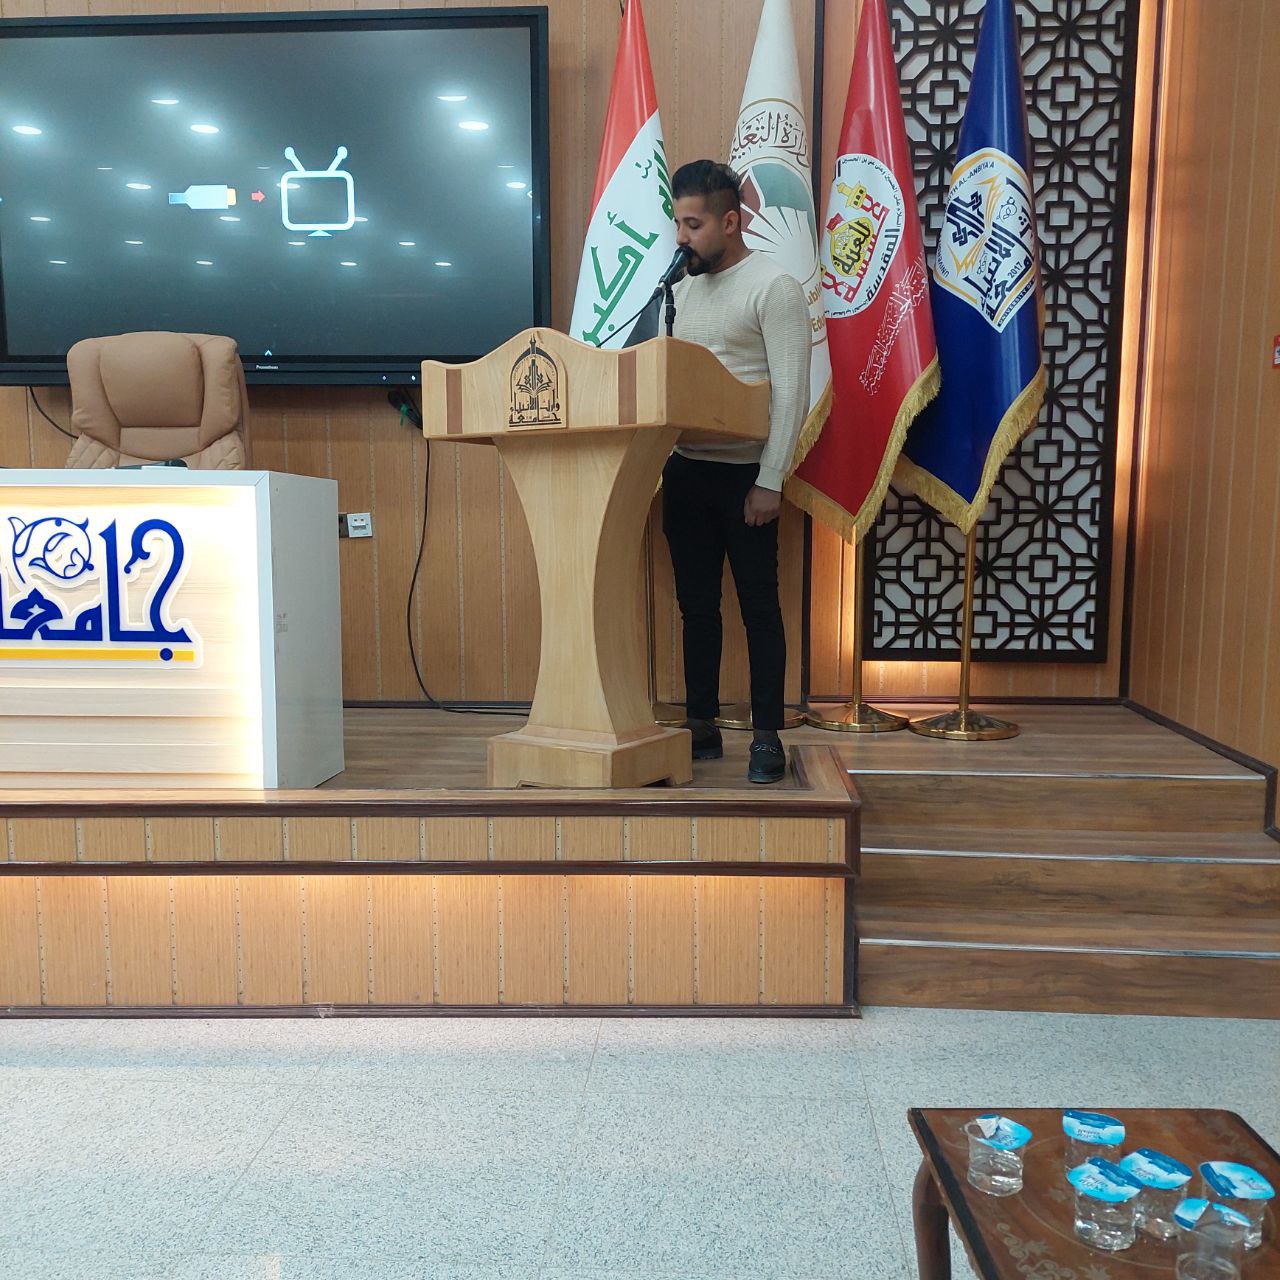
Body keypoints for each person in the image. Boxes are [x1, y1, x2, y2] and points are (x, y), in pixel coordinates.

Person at [662, 160, 811, 785]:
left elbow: (792, 391)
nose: (681, 238)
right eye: (678, 223)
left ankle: (767, 735)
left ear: (730, 221)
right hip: (686, 474)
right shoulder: (680, 290)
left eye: (693, 225)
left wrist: (770, 480)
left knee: (758, 610)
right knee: (696, 608)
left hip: (747, 479)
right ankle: (701, 725)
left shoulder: (774, 287)